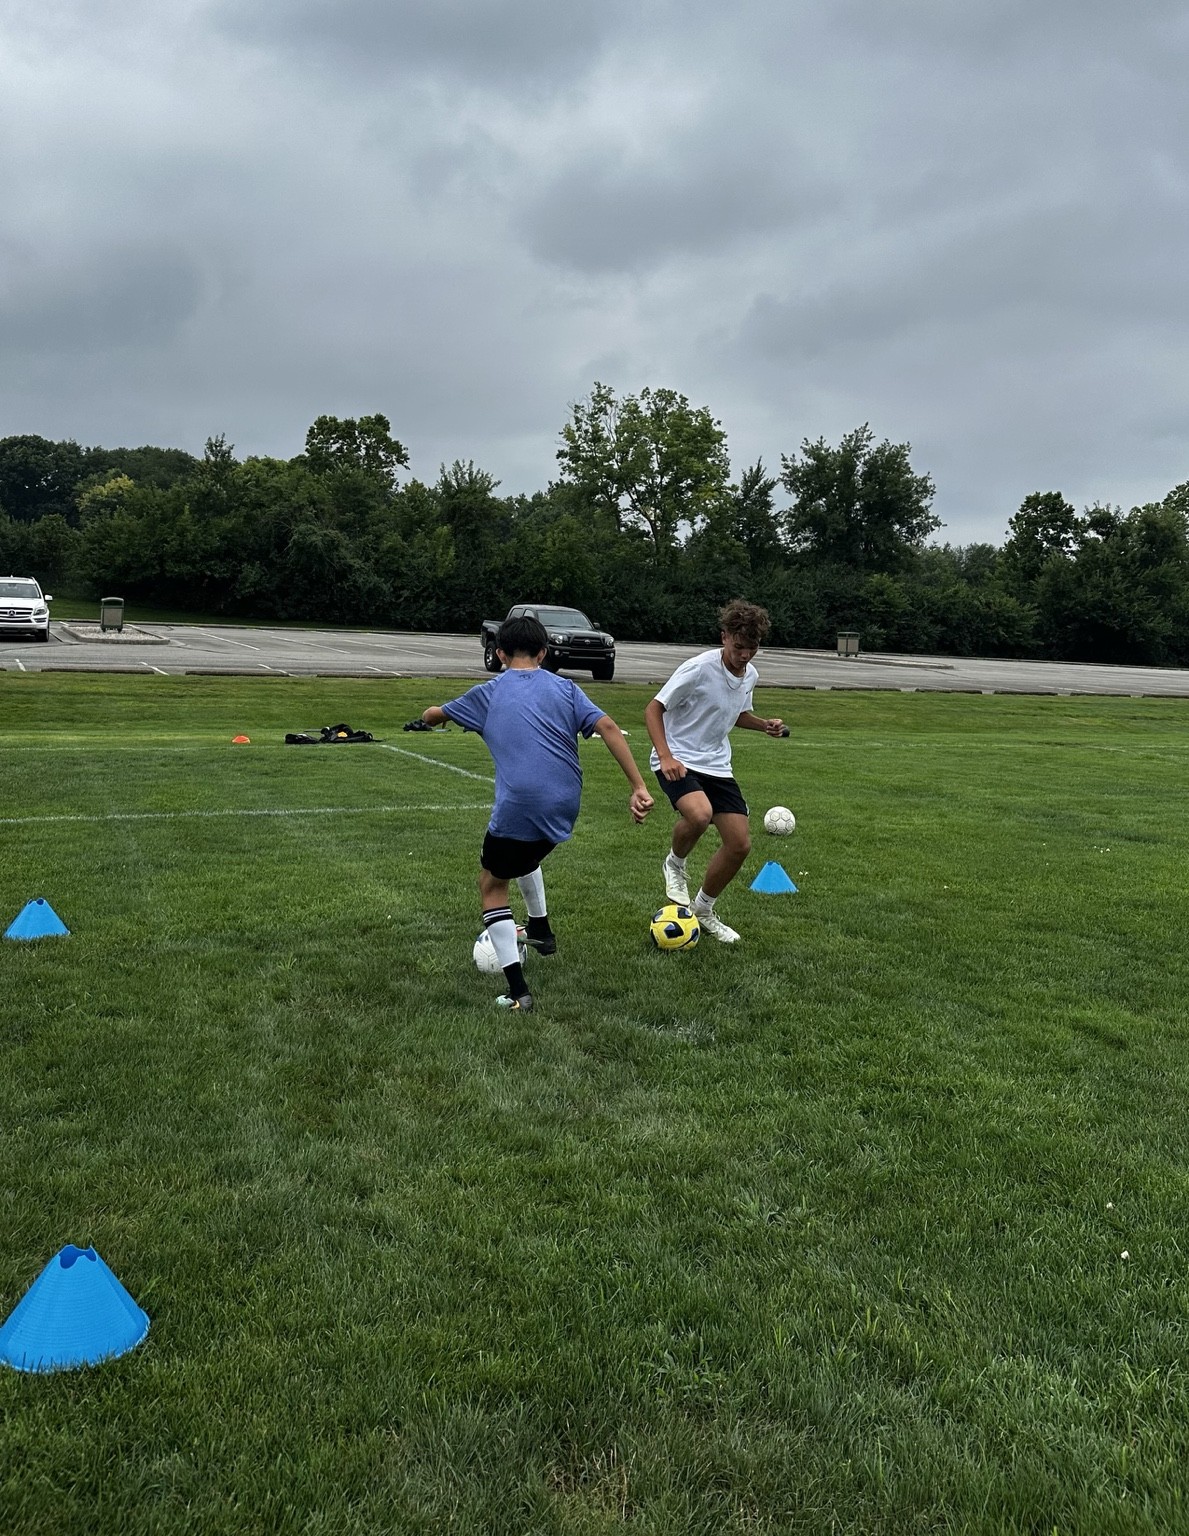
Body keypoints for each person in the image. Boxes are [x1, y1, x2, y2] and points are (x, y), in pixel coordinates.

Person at [421, 614, 653, 1011]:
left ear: (499, 654)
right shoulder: (566, 688)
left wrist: (431, 716)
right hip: (565, 805)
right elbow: (610, 728)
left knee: (491, 884)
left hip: (521, 805)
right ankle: (541, 930)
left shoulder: (488, 693)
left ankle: (518, 993)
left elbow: (433, 715)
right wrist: (638, 787)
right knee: (525, 854)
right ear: (544, 653)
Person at [643, 599, 785, 943]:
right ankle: (675, 864)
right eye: (738, 647)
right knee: (699, 815)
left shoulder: (750, 675)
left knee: (739, 844)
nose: (745, 655)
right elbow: (653, 709)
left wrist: (764, 725)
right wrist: (665, 756)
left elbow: (735, 713)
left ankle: (704, 910)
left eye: (752, 648)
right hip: (678, 758)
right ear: (724, 637)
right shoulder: (698, 669)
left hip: (717, 765)